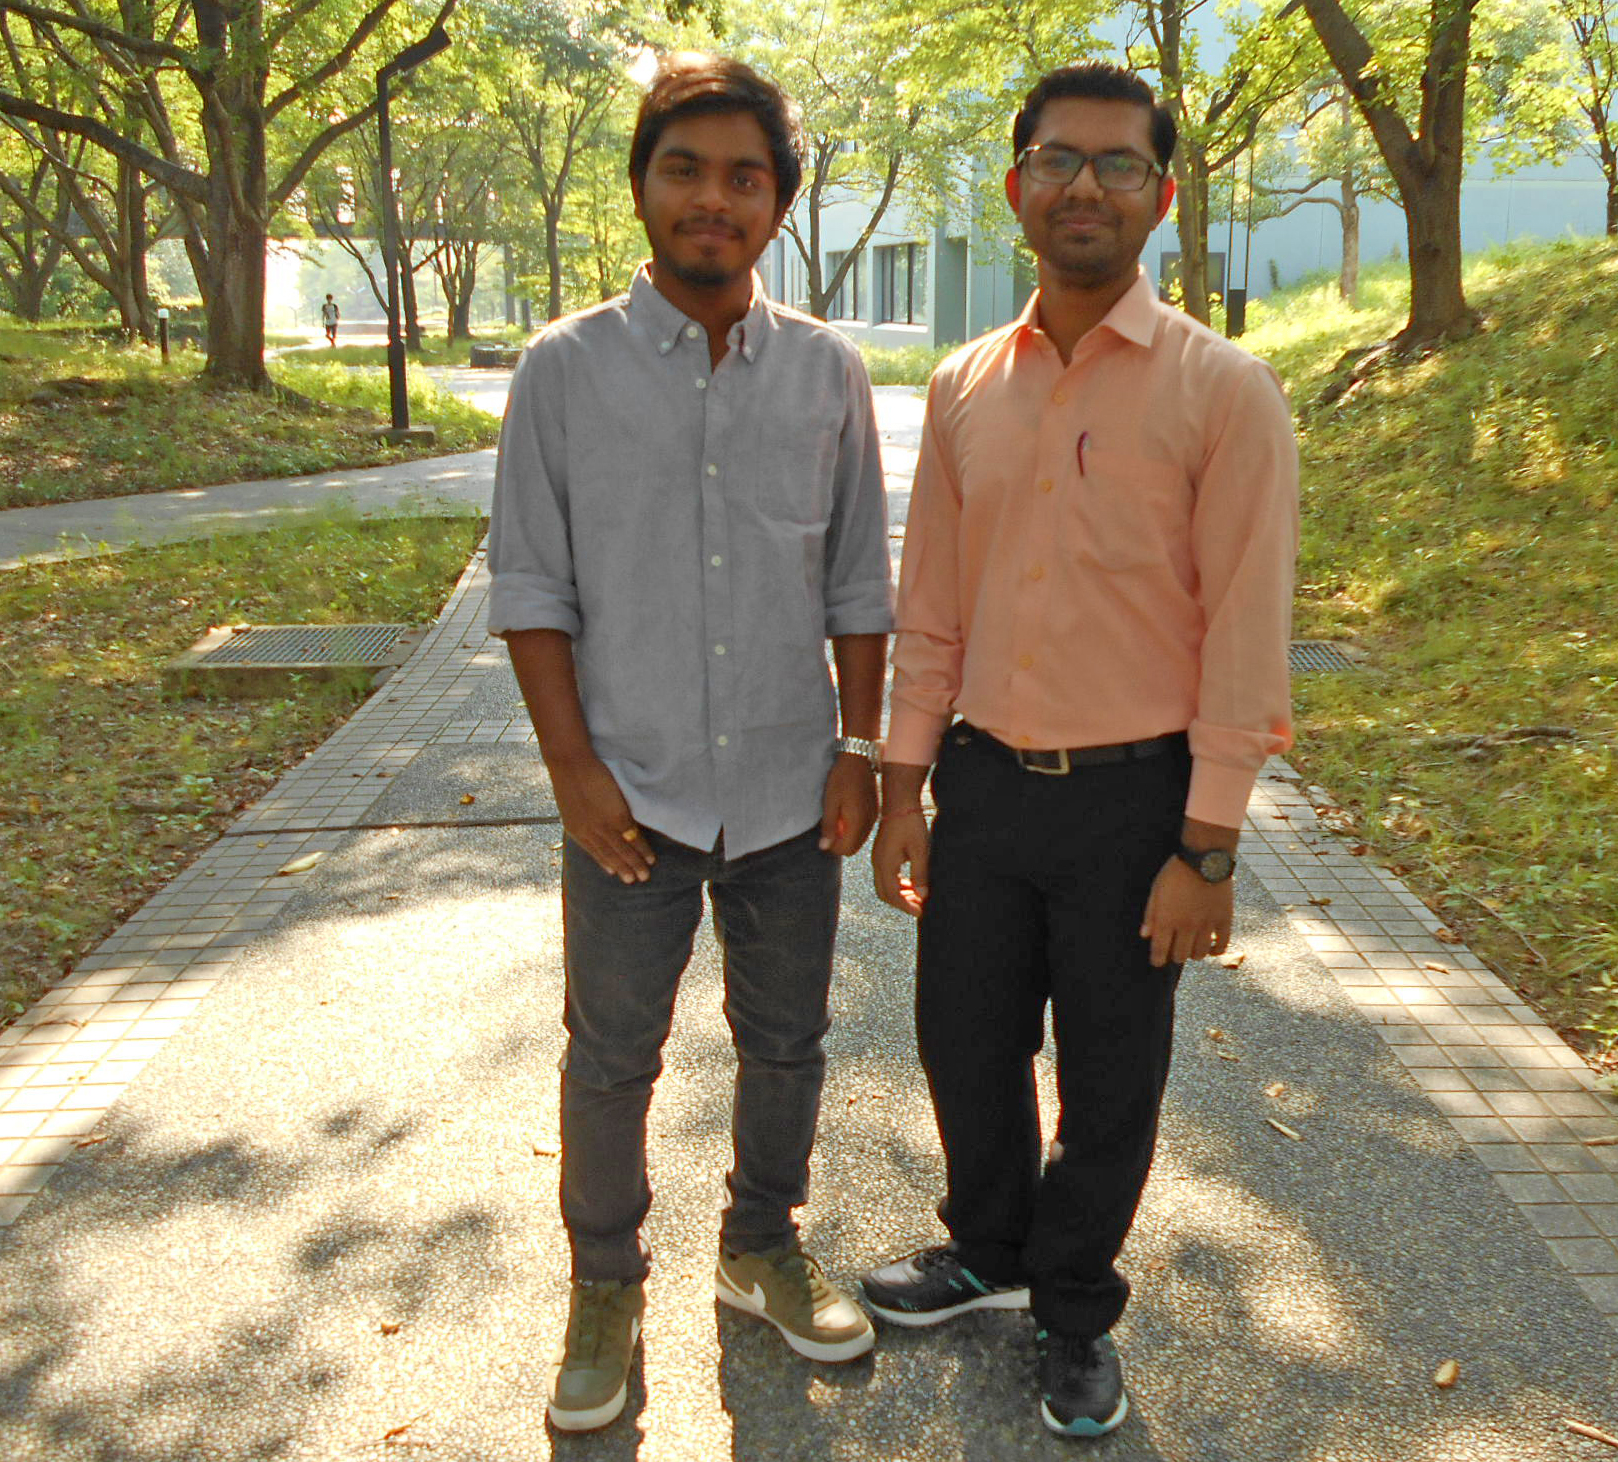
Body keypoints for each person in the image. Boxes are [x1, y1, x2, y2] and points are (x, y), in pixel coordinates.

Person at [863, 63, 1298, 1439]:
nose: (1086, 187)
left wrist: (1208, 844)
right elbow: (930, 602)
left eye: (1118, 165)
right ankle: (985, 1246)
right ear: (1017, 191)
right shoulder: (962, 387)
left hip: (1135, 802)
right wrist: (903, 787)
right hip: (983, 786)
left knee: (1112, 1074)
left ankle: (1072, 1308)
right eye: (1060, 161)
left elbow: (1245, 630)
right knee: (963, 1041)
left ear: (1161, 197)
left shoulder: (1222, 391)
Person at [486, 53, 893, 1433]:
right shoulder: (563, 371)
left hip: (791, 786)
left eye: (745, 177)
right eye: (686, 169)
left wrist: (863, 747)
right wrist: (575, 772)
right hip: (629, 796)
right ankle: (605, 1281)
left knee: (788, 1041)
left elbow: (856, 583)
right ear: (644, 186)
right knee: (611, 1057)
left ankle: (761, 1244)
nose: (714, 200)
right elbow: (532, 591)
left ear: (777, 204)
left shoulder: (831, 373)